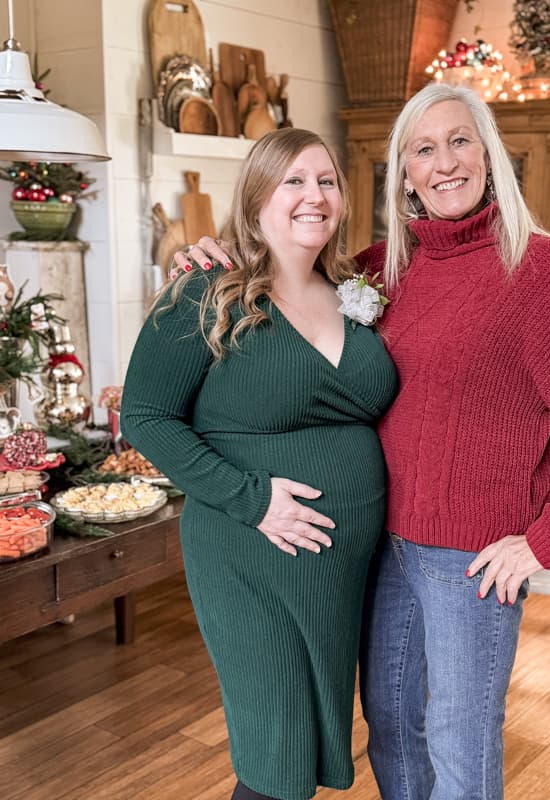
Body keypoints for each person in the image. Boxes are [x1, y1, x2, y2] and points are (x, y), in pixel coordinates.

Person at [174, 83, 550, 800]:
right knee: (393, 730)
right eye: (422, 149)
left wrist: (547, 538)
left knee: (459, 745)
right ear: (403, 172)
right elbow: (282, 273)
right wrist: (214, 254)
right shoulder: (378, 271)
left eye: (460, 141)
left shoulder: (540, 272)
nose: (444, 163)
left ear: (490, 155)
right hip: (378, 548)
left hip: (471, 561)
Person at [120, 128, 398, 800]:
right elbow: (145, 417)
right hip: (249, 550)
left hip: (337, 566)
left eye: (327, 181)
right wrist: (254, 500)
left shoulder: (354, 291)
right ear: (255, 200)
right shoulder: (207, 291)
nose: (314, 196)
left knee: (302, 752)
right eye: (293, 181)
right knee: (274, 752)